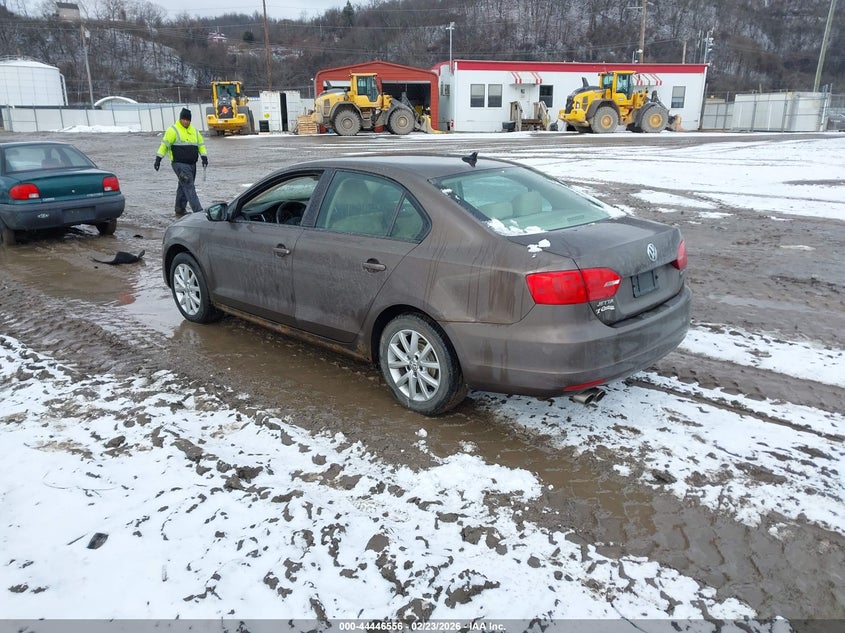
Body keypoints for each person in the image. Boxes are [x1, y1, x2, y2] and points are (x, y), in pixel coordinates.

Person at [154, 107, 208, 216]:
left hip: (192, 164)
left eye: (188, 120)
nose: (186, 122)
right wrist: (158, 159)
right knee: (189, 185)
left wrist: (204, 157)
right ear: (180, 119)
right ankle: (199, 212)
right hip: (179, 164)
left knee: (183, 185)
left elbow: (201, 145)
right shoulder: (172, 130)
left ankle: (179, 208)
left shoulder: (194, 131)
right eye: (184, 119)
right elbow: (164, 145)